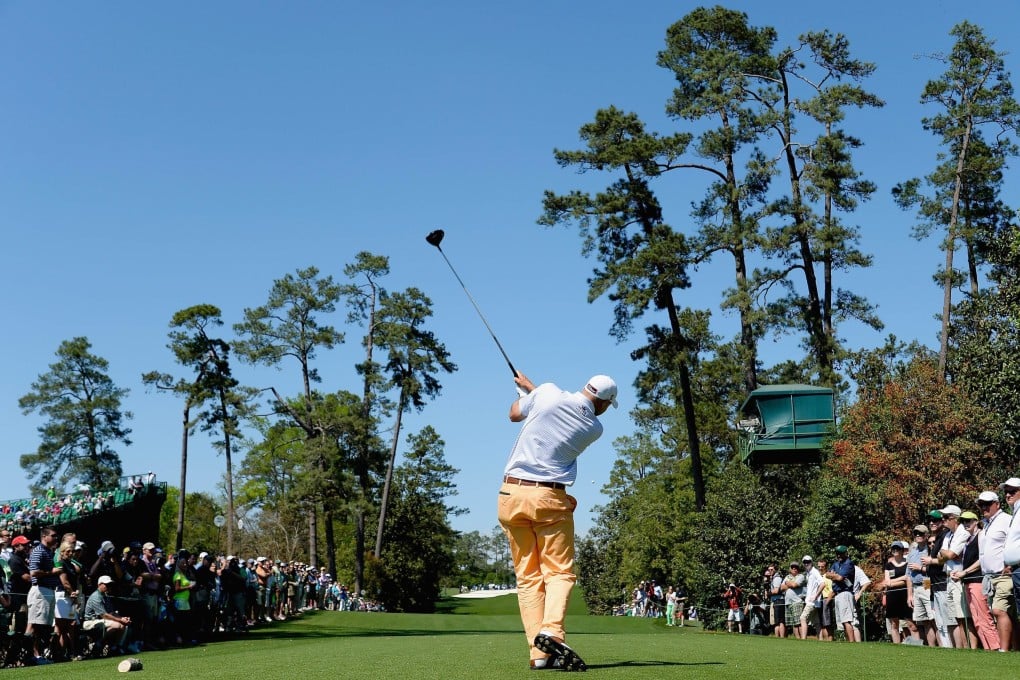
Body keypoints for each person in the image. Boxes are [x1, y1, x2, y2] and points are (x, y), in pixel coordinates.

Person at [498, 372, 617, 671]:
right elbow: (558, 407)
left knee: (528, 579)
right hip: (549, 499)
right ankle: (551, 632)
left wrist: (527, 394)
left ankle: (539, 655)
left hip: (510, 494)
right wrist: (531, 390)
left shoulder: (547, 393)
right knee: (559, 573)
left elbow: (515, 414)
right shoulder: (594, 428)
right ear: (603, 403)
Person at [954, 510, 997, 650]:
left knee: (984, 617)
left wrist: (965, 572)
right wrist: (959, 573)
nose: (965, 524)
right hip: (968, 581)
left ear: (976, 521)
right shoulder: (968, 539)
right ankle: (987, 648)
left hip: (978, 580)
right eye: (963, 521)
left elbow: (982, 559)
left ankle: (996, 648)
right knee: (977, 619)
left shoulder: (981, 535)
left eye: (968, 521)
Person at [978, 487, 1013, 652]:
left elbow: (1015, 542)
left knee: (999, 610)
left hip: (1004, 575)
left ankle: (1003, 650)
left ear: (997, 504)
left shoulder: (1006, 519)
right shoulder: (985, 524)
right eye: (981, 505)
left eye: (987, 504)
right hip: (989, 577)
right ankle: (1013, 648)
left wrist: (1010, 564)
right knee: (1002, 613)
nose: (984, 507)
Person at [27, 526, 61, 664]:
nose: (56, 538)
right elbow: (33, 572)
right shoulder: (39, 551)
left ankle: (38, 655)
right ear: (44, 537)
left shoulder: (49, 551)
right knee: (36, 625)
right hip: (40, 590)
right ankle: (35, 656)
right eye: (53, 535)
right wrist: (51, 572)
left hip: (48, 591)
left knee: (43, 625)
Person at [83, 574, 131, 653]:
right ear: (99, 584)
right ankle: (97, 644)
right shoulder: (96, 596)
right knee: (117, 625)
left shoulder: (105, 596)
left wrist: (122, 618)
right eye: (107, 584)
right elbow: (103, 615)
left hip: (101, 620)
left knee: (124, 625)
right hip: (90, 621)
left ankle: (115, 647)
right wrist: (120, 620)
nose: (109, 586)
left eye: (110, 585)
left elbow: (111, 612)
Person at [906, 523, 936, 646]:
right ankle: (931, 648)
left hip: (927, 583)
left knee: (933, 618)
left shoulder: (930, 550)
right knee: (924, 621)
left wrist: (920, 568)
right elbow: (908, 575)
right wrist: (909, 595)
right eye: (916, 533)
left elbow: (934, 570)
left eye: (921, 533)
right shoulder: (912, 553)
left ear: (926, 535)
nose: (918, 535)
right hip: (916, 587)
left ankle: (942, 647)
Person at [882, 542, 911, 643]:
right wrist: (902, 579)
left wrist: (894, 581)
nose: (895, 551)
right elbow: (887, 582)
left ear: (902, 551)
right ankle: (897, 646)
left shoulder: (908, 563)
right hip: (892, 596)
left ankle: (915, 645)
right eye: (893, 549)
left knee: (910, 623)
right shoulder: (888, 565)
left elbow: (908, 578)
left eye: (897, 548)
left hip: (906, 594)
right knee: (894, 624)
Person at [827, 546, 857, 642]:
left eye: (841, 553)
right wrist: (834, 575)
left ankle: (852, 642)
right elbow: (827, 574)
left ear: (845, 553)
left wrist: (834, 575)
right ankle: (848, 642)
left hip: (845, 593)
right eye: (837, 553)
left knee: (846, 620)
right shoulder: (836, 564)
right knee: (842, 622)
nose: (839, 555)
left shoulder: (849, 563)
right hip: (838, 594)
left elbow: (840, 578)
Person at [781, 561, 806, 640]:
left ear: (798, 569)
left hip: (797, 601)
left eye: (796, 567)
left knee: (799, 623)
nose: (794, 569)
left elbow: (794, 585)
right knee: (794, 623)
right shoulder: (787, 576)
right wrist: (790, 584)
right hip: (788, 602)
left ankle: (802, 639)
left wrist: (787, 583)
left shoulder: (801, 576)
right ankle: (797, 639)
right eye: (792, 567)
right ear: (790, 569)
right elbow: (782, 588)